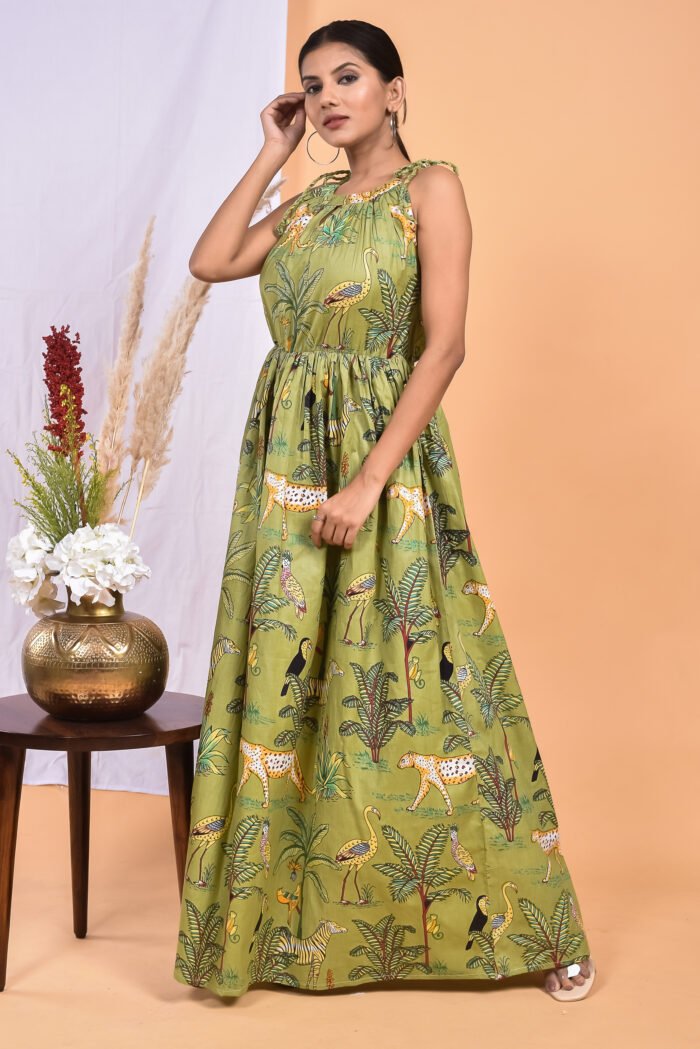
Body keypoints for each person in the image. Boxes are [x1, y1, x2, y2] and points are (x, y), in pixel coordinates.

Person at [173, 18, 596, 1002]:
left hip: (382, 457)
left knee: (430, 678)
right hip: (283, 455)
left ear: (395, 91)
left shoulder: (430, 188)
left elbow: (443, 345)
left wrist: (365, 480)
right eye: (311, 84)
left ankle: (540, 921)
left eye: (348, 77)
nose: (327, 96)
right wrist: (271, 150)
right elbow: (210, 261)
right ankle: (296, 930)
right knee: (295, 689)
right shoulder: (308, 202)